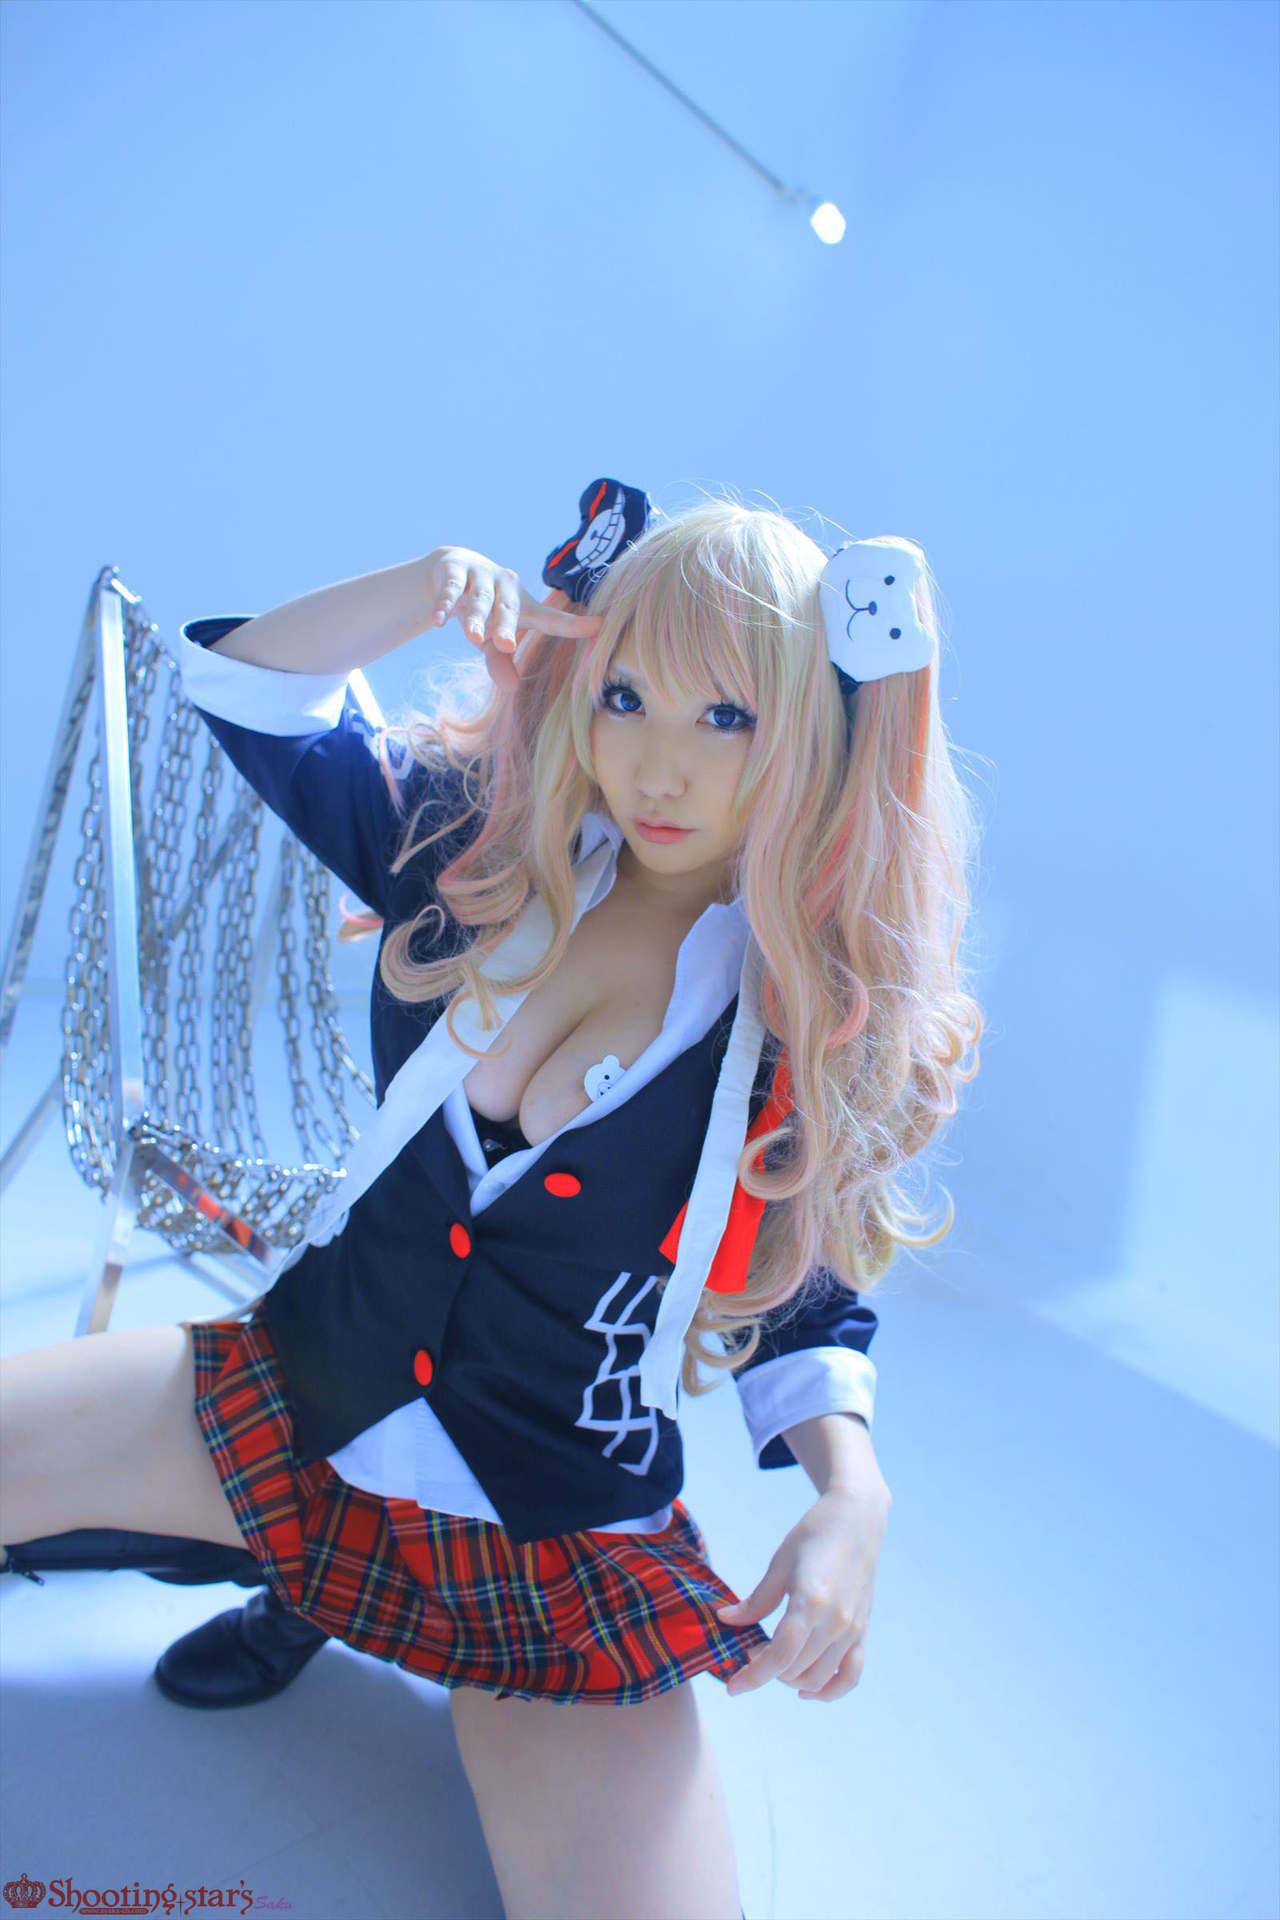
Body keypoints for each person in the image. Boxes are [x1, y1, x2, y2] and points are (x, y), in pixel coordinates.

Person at [1, 485, 982, 1920]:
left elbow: (800, 1297)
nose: (658, 763)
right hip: (294, 1398)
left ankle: (340, 1598)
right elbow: (241, 689)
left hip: (548, 1523)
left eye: (728, 718)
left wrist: (856, 1494)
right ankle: (300, 1577)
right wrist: (421, 583)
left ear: (811, 735)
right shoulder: (476, 854)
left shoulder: (790, 1025)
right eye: (628, 696)